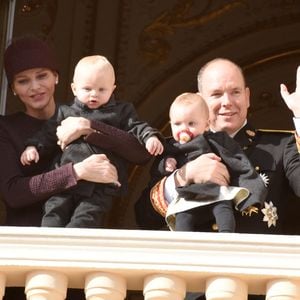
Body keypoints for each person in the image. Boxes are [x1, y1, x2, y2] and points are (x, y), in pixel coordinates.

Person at [135, 58, 300, 299]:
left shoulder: (280, 146)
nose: (227, 102)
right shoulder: (175, 150)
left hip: (259, 287)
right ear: (200, 99)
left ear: (247, 96)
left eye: (235, 92)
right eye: (216, 94)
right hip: (195, 289)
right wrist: (184, 176)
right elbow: (143, 216)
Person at [0, 36, 149, 300]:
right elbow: (13, 192)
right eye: (23, 81)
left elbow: (140, 152)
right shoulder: (6, 129)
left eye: (41, 75)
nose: (35, 87)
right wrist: (76, 172)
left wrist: (89, 128)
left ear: (56, 77)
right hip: (29, 261)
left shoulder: (84, 112)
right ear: (13, 88)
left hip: (82, 256)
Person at [20, 55, 164, 228]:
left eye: (102, 89)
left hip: (100, 185)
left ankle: (75, 247)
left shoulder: (121, 112)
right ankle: (49, 247)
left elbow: (137, 128)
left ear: (113, 89)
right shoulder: (65, 112)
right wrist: (33, 146)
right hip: (66, 179)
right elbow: (48, 134)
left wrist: (150, 137)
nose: (94, 94)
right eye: (87, 88)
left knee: (86, 218)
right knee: (54, 212)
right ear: (74, 89)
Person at [153, 92, 266, 232]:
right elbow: (158, 170)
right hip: (189, 193)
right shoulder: (170, 147)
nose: (183, 128)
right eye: (177, 124)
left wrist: (252, 192)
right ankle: (184, 245)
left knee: (223, 209)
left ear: (206, 125)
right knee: (183, 216)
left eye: (191, 123)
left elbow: (238, 163)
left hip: (215, 189)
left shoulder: (216, 140)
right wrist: (166, 164)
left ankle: (226, 237)